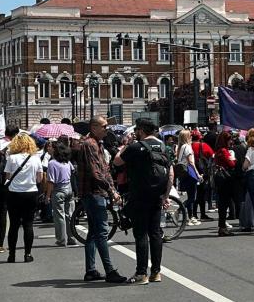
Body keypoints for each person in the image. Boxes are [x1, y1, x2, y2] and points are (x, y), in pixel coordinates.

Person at [114, 118, 173, 284]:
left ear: (140, 130)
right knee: (155, 233)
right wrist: (166, 195)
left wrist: (127, 143)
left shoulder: (135, 147)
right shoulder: (163, 147)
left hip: (139, 195)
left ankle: (141, 273)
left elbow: (117, 161)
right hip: (157, 195)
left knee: (141, 234)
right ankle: (156, 272)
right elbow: (170, 173)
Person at [72, 116, 128, 283]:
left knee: (93, 233)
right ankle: (110, 271)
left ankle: (91, 270)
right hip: (94, 193)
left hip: (93, 192)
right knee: (102, 233)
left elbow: (104, 169)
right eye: (104, 126)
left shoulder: (96, 143)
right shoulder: (90, 144)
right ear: (94, 127)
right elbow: (96, 173)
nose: (107, 129)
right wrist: (111, 191)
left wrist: (111, 188)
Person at [3, 133, 43, 263]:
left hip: (14, 193)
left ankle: (12, 255)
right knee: (28, 224)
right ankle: (28, 254)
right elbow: (39, 178)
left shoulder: (11, 158)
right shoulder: (35, 158)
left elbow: (8, 177)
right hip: (30, 192)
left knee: (14, 225)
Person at [45, 138, 77, 247]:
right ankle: (72, 237)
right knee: (70, 215)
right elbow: (73, 172)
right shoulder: (67, 162)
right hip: (69, 188)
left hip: (58, 190)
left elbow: (50, 182)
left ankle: (61, 239)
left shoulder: (52, 163)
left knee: (59, 215)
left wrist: (47, 196)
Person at [0, 125, 20, 254]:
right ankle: (0, 244)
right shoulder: (14, 146)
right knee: (2, 211)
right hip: (4, 183)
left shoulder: (2, 143)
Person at [213, 132, 237, 237]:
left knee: (223, 204)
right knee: (224, 204)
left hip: (221, 180)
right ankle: (222, 227)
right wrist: (234, 158)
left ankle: (222, 227)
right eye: (229, 140)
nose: (231, 142)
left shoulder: (218, 150)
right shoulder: (223, 151)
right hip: (225, 180)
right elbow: (231, 164)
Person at [176, 130, 201, 226]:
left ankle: (190, 217)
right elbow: (191, 162)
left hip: (183, 173)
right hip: (189, 172)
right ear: (187, 137)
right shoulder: (187, 147)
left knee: (190, 196)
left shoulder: (181, 147)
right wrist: (197, 174)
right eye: (189, 135)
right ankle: (179, 210)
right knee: (192, 197)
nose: (191, 137)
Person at [191, 132, 214, 222]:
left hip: (192, 171)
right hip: (202, 172)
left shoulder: (189, 146)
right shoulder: (203, 145)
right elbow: (212, 155)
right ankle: (203, 213)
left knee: (193, 193)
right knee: (202, 193)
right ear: (200, 138)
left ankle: (193, 213)